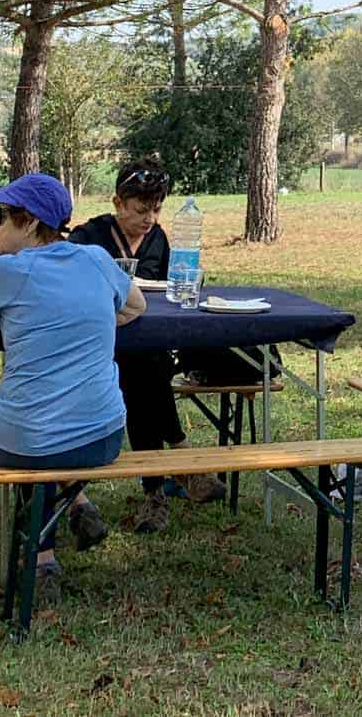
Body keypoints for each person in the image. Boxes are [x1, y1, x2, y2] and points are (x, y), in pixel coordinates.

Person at [0, 173, 141, 609]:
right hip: (105, 435)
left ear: (28, 224)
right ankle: (78, 501)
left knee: (30, 429)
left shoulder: (8, 270)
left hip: (30, 440)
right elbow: (137, 305)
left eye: (1, 218)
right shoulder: (98, 260)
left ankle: (42, 561)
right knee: (48, 425)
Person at [66, 159, 226, 533]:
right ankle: (181, 457)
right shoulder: (88, 236)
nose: (150, 218)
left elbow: (171, 291)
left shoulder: (160, 240)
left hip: (145, 344)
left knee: (141, 373)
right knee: (142, 372)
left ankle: (155, 496)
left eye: (156, 209)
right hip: (93, 346)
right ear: (118, 203)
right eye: (141, 210)